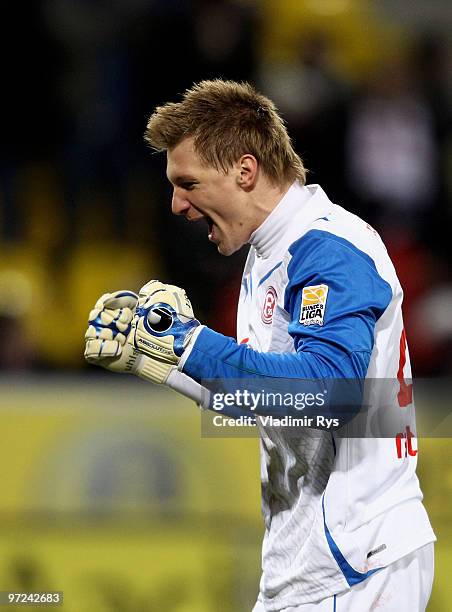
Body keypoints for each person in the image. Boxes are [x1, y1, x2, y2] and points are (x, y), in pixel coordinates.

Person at [84, 80, 435, 611]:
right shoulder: (267, 255)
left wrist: (189, 343)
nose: (177, 205)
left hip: (357, 563)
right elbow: (276, 404)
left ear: (245, 172)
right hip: (310, 565)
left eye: (188, 184)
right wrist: (161, 361)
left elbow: (327, 393)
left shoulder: (329, 248)